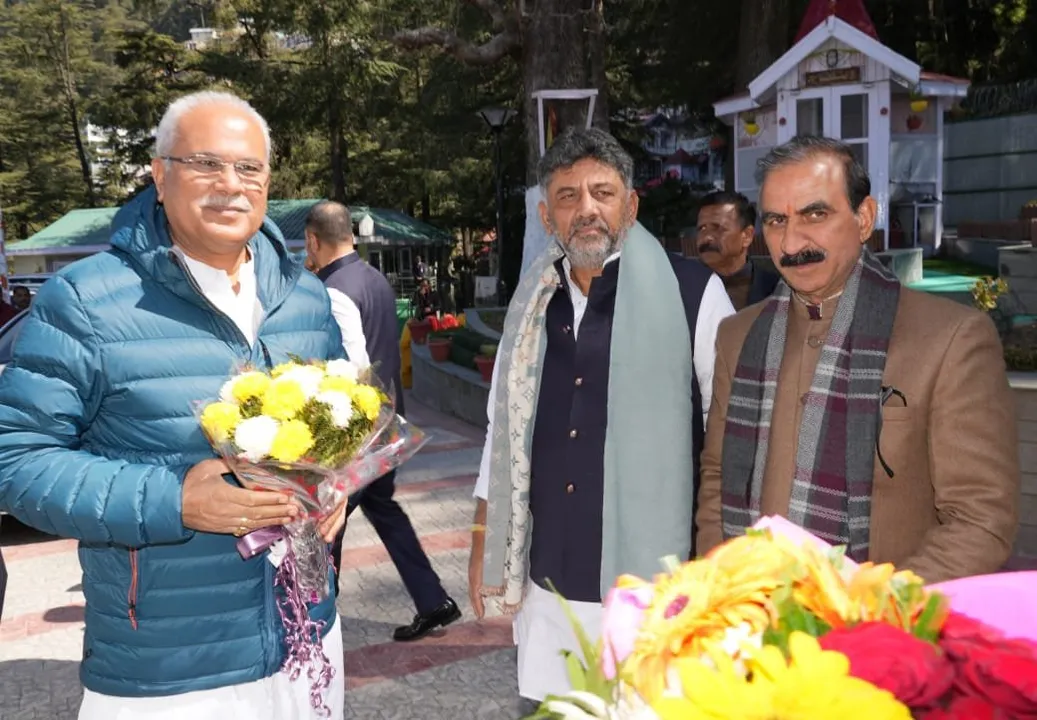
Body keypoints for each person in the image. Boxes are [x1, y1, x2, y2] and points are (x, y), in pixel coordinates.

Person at [0, 91, 348, 720]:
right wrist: (175, 500)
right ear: (160, 176)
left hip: (308, 637)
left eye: (249, 168)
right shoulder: (85, 301)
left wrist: (336, 483)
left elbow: (339, 426)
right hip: (169, 666)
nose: (230, 185)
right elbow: (17, 462)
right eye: (205, 163)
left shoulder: (305, 298)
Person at [468, 127, 735, 705]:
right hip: (550, 582)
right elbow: (501, 430)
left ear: (630, 206)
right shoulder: (530, 307)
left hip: (655, 587)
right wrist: (483, 536)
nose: (586, 208)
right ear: (547, 216)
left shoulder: (694, 294)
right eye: (568, 196)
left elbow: (727, 436)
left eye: (602, 193)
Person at [696, 135, 1019, 584]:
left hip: (883, 618)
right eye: (776, 220)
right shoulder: (738, 337)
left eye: (815, 214)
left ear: (864, 218)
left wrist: (873, 607)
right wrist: (721, 595)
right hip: (751, 612)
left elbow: (980, 519)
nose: (792, 241)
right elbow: (717, 481)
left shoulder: (950, 339)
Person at [305, 200, 461, 642]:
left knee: (325, 522)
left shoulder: (332, 290)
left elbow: (352, 368)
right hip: (387, 424)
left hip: (357, 434)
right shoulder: (375, 278)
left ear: (313, 240)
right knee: (382, 509)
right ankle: (432, 601)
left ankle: (317, 622)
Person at [695, 190, 780, 309]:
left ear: (747, 236)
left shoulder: (779, 290)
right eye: (702, 228)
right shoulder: (681, 286)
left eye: (718, 228)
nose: (707, 237)